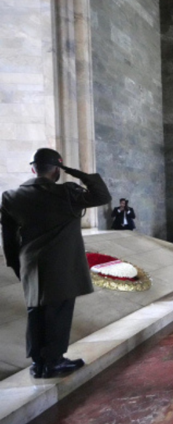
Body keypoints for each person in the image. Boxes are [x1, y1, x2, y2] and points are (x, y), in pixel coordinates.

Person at [1, 148, 111, 378]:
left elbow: (9, 239)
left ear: (33, 169)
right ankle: (53, 361)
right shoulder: (67, 194)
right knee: (58, 312)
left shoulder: (11, 197)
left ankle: (38, 363)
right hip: (60, 265)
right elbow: (102, 196)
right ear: (57, 170)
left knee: (35, 312)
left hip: (30, 264)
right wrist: (77, 173)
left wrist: (17, 265)